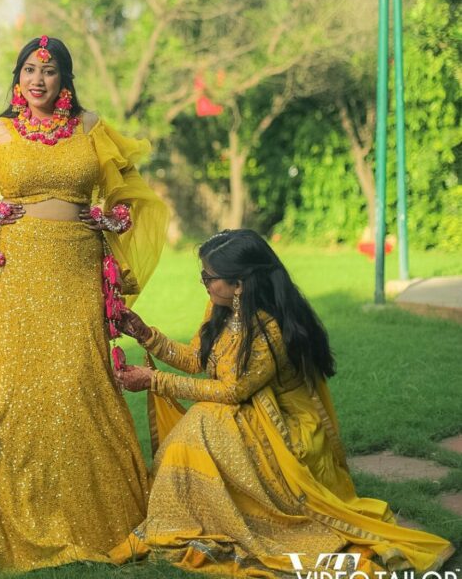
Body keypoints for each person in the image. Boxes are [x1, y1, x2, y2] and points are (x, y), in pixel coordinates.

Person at [0, 35, 169, 570]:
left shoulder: (92, 128)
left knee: (80, 379)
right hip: (16, 265)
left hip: (75, 266)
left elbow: (129, 190)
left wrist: (112, 217)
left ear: (65, 80)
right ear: (17, 77)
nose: (38, 80)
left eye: (49, 72)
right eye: (29, 69)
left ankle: (100, 516)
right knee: (12, 380)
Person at [112, 229, 455, 578]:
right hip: (248, 412)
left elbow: (234, 391)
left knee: (204, 421)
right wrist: (146, 335)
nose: (204, 283)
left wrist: (154, 380)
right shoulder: (222, 309)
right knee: (205, 420)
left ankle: (208, 514)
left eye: (209, 277)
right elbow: (199, 360)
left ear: (240, 284)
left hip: (287, 426)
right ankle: (189, 511)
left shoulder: (267, 329)